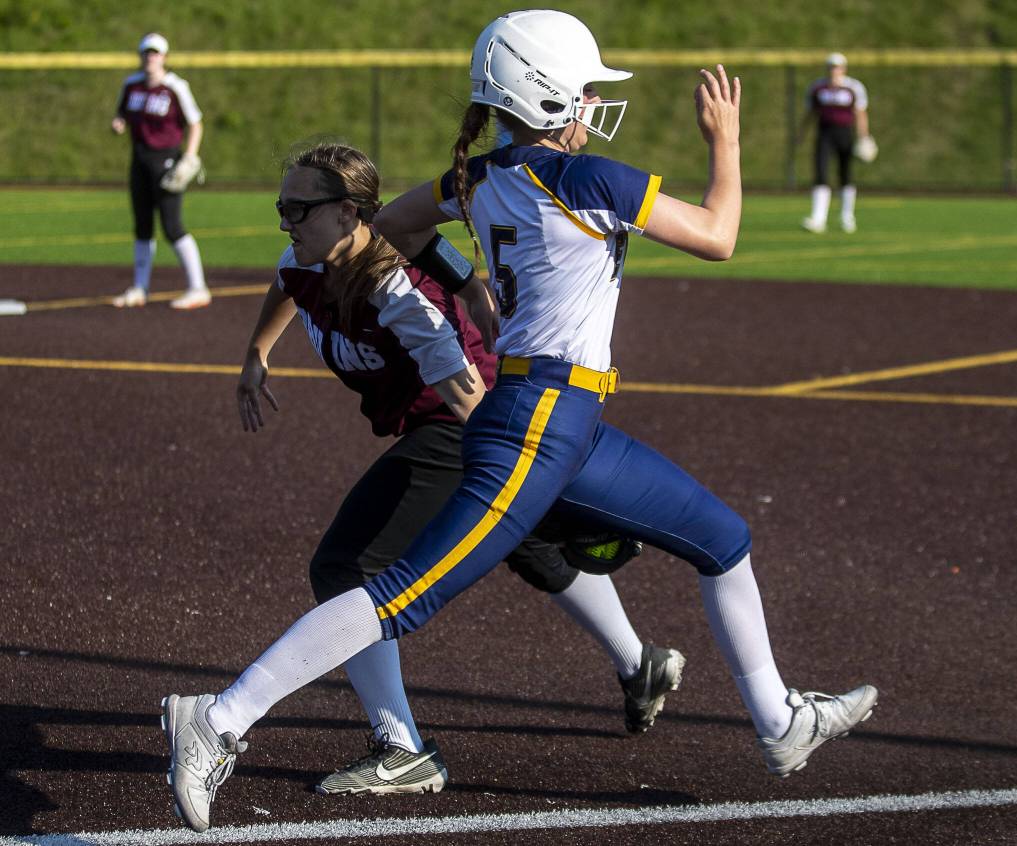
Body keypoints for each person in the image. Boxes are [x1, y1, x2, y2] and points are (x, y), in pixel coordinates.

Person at [162, 11, 877, 832]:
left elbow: (391, 224)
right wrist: (727, 140)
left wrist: (472, 278)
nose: (592, 106)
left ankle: (781, 723)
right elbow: (719, 235)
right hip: (542, 417)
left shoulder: (477, 178)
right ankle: (217, 720)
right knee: (399, 594)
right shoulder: (590, 179)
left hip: (557, 416)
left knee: (724, 540)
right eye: (584, 92)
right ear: (545, 95)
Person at [169, 139, 683, 819]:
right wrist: (256, 354)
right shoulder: (311, 257)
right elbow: (287, 281)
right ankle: (638, 662)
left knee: (348, 565)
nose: (284, 221)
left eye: (298, 208)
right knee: (525, 545)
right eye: (281, 207)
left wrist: (524, 469)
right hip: (454, 419)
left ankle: (400, 747)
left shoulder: (393, 286)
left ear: (350, 212)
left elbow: (464, 387)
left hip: (464, 419)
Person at [110, 33, 211, 309]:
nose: (150, 58)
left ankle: (198, 287)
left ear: (164, 57)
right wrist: (118, 123)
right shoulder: (131, 85)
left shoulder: (175, 86)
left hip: (166, 160)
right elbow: (121, 113)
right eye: (146, 53)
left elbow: (196, 122)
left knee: (171, 225)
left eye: (155, 53)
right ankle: (140, 288)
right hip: (140, 160)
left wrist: (190, 157)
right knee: (142, 225)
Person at [798, 52, 872, 234]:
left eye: (837, 67)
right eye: (831, 66)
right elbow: (810, 113)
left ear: (844, 69)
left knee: (845, 175)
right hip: (824, 133)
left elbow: (860, 113)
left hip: (845, 134)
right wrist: (801, 134)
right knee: (821, 173)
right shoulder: (818, 88)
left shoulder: (853, 87)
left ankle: (847, 217)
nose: (834, 70)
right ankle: (818, 219)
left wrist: (864, 136)